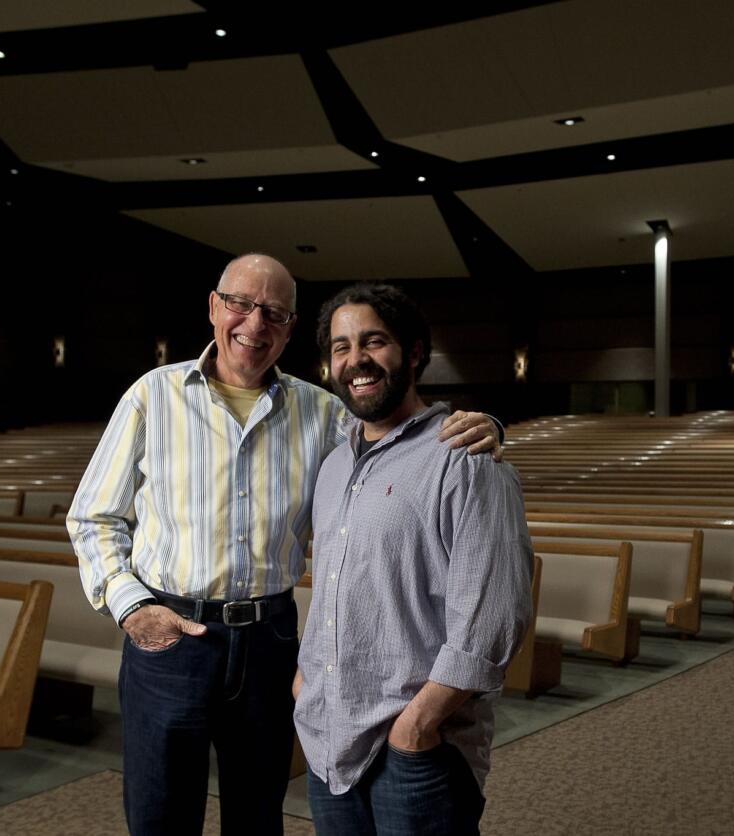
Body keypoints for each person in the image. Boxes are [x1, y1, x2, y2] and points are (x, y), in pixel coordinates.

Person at [67, 254, 500, 836]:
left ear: (290, 327)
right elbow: (93, 517)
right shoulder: (153, 395)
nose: (255, 323)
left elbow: (399, 435)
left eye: (273, 312)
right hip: (171, 640)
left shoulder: (322, 412)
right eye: (241, 305)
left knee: (258, 814)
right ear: (215, 308)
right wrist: (132, 608)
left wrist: (488, 426)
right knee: (160, 816)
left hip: (269, 641)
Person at [295, 283, 532, 835]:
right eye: (340, 347)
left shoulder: (467, 459)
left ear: (415, 352)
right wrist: (306, 684)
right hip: (328, 739)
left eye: (373, 341)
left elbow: (494, 617)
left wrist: (417, 726)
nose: (356, 360)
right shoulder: (332, 467)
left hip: (415, 752)